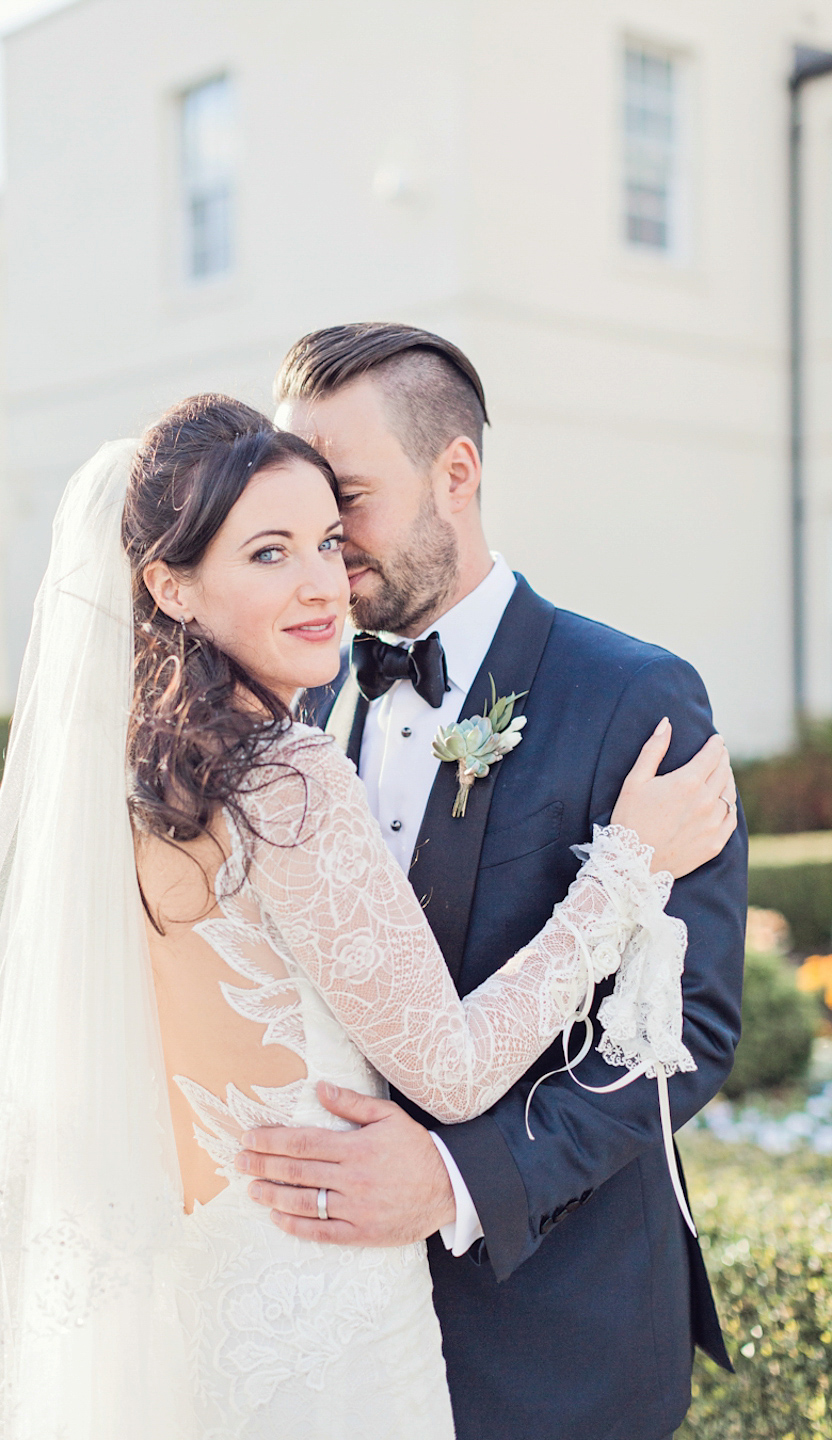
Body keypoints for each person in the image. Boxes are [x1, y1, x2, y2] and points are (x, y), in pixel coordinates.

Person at [0, 393, 736, 1440]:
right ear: (170, 585)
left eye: (329, 531)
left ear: (457, 470)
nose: (324, 577)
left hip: (210, 1295)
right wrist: (623, 871)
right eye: (269, 553)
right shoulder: (292, 769)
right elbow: (445, 1066)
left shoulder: (139, 771)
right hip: (324, 1302)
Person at [234, 323, 749, 1440]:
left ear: (455, 474)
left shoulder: (635, 696)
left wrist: (455, 1181)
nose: (327, 552)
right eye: (300, 522)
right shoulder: (297, 707)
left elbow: (684, 1030)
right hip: (336, 1324)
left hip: (558, 1333)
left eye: (349, 504)